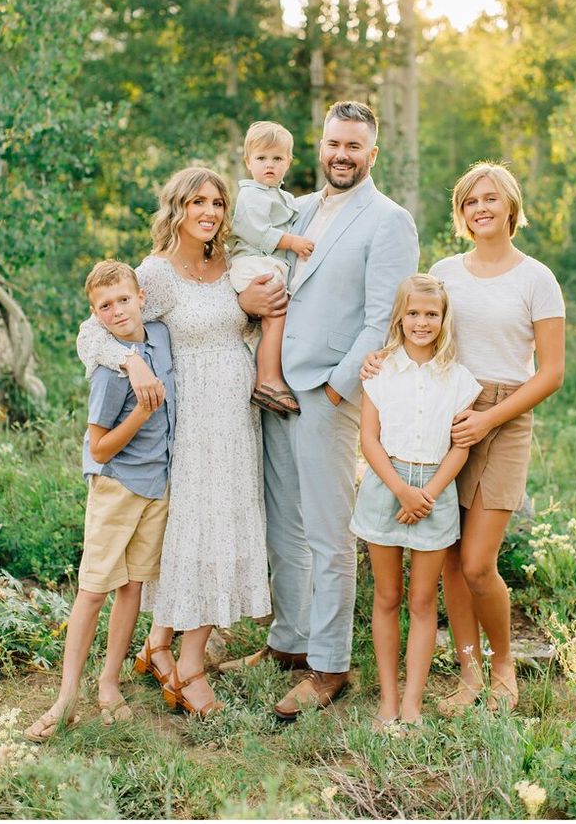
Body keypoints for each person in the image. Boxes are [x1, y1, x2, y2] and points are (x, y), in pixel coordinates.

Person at [228, 101, 419, 720]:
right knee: (283, 524)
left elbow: (382, 320)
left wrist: (338, 390)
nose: (342, 155)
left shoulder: (390, 222)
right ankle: (289, 641)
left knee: (329, 533)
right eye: (334, 144)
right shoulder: (297, 208)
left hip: (328, 395)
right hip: (274, 388)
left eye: (354, 147)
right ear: (320, 146)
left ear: (372, 153)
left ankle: (330, 664)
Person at [362, 161, 565, 713]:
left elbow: (550, 373)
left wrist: (489, 420)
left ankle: (504, 669)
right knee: (447, 556)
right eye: (471, 201)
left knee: (477, 562)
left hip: (503, 415)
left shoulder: (536, 278)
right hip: (443, 418)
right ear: (461, 212)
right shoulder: (447, 269)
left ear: (511, 208)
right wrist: (382, 359)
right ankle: (468, 673)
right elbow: (418, 327)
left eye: (491, 199)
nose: (481, 208)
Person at [77, 167, 270, 716]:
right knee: (195, 532)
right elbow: (92, 330)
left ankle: (158, 644)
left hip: (234, 423)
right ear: (177, 208)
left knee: (213, 527)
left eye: (217, 202)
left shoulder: (230, 265)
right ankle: (189, 666)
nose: (208, 212)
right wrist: (131, 361)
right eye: (197, 202)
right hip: (190, 426)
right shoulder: (157, 274)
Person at [25, 261, 175, 742]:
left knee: (131, 587)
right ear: (95, 314)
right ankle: (66, 697)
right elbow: (99, 446)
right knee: (93, 590)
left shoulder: (159, 340)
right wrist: (142, 412)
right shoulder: (109, 374)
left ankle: (109, 684)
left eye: (123, 300)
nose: (116, 311)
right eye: (104, 306)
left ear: (141, 299)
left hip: (156, 484)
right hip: (117, 486)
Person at [352, 274, 481, 732]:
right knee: (387, 597)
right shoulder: (380, 369)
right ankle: (387, 701)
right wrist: (401, 491)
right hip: (387, 484)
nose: (421, 322)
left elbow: (460, 446)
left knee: (424, 601)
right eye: (413, 313)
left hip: (435, 489)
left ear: (443, 319)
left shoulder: (458, 378)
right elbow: (368, 438)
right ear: (400, 317)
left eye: (431, 314)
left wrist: (426, 494)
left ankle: (412, 704)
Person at [228, 120, 315, 417]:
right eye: (261, 158)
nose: (269, 165)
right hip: (251, 261)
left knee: (274, 319)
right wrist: (292, 242)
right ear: (248, 161)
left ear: (288, 162)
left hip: (263, 262)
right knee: (277, 314)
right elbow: (254, 231)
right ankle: (268, 379)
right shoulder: (251, 195)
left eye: (277, 159)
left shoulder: (281, 197)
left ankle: (264, 374)